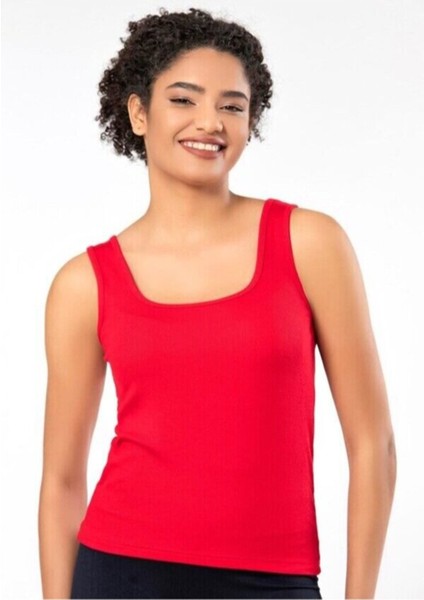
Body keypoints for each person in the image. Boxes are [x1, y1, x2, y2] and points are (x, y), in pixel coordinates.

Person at [38, 7, 397, 600]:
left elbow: (373, 444)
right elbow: (60, 481)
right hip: (121, 573)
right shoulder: (84, 284)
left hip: (273, 581)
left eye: (232, 105)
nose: (210, 122)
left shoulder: (310, 243)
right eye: (184, 99)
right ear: (138, 113)